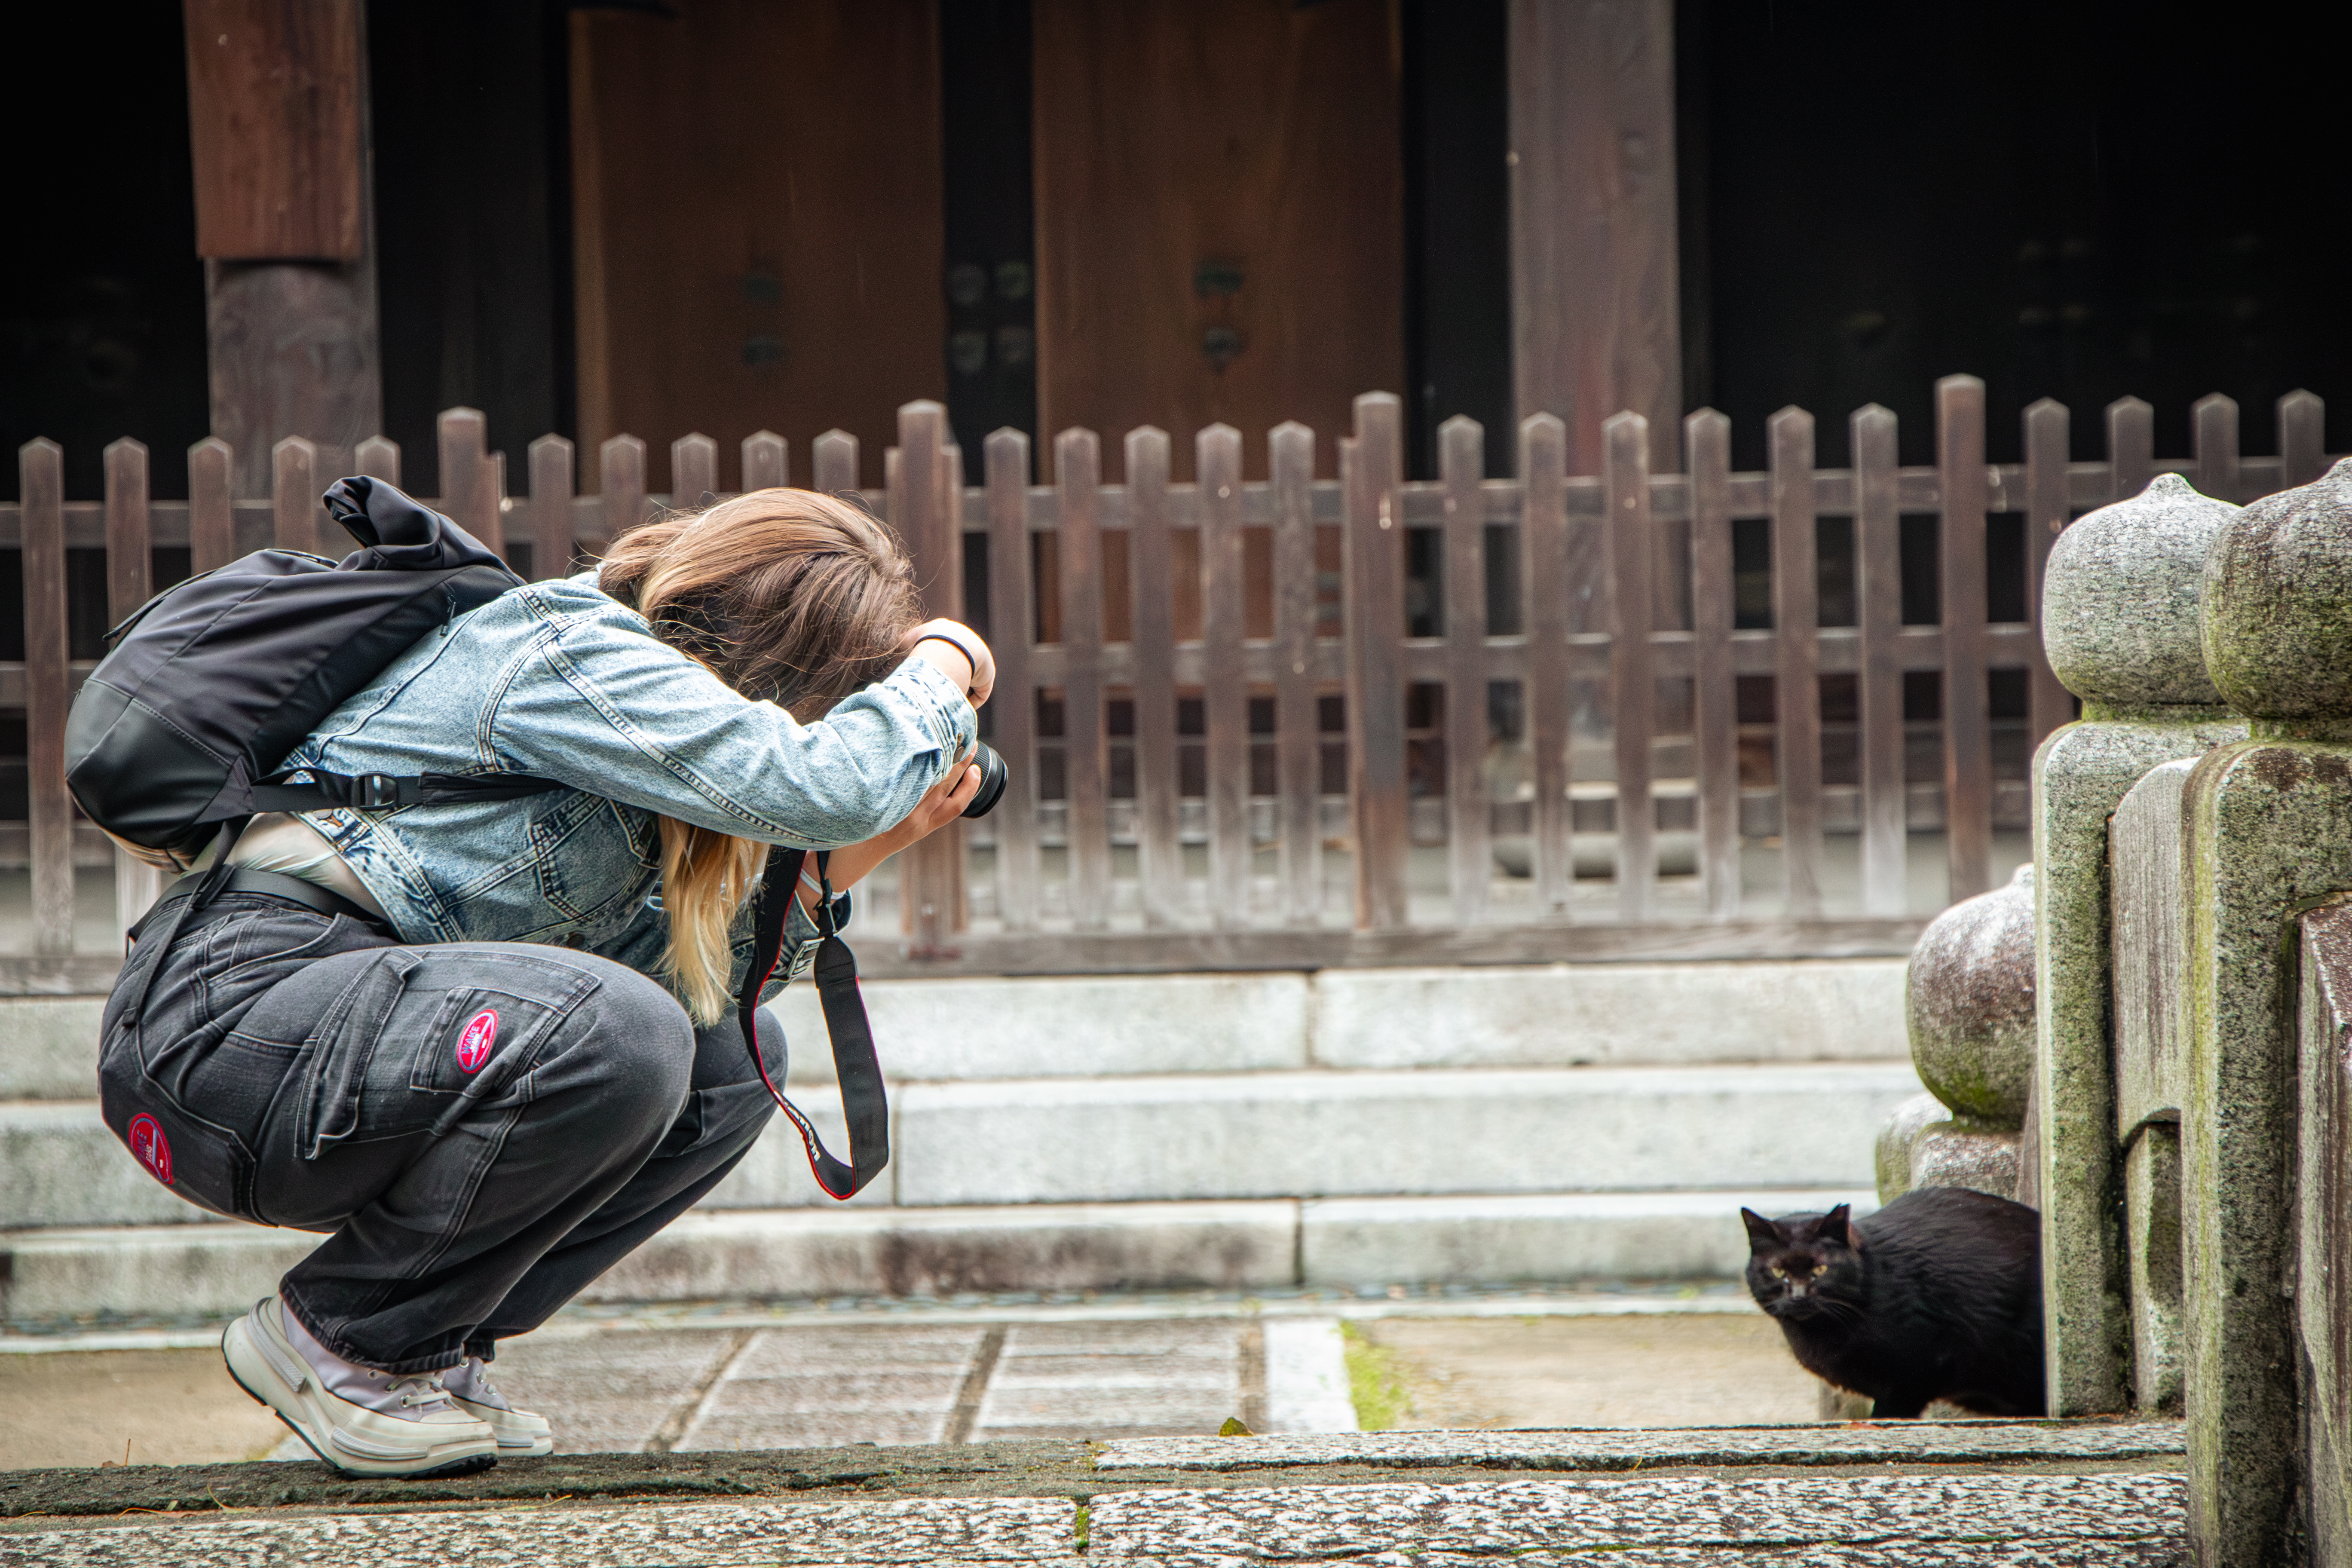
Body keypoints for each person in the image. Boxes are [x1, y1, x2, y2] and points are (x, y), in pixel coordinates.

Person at [97, 488, 994, 1477]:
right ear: (779, 669)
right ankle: (343, 1340)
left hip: (353, 1048)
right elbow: (821, 787)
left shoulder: (641, 756)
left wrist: (846, 862)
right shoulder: (564, 646)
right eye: (833, 708)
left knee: (729, 1063)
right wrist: (946, 661)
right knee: (631, 1030)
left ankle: (433, 1341)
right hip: (227, 1028)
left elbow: (700, 998)